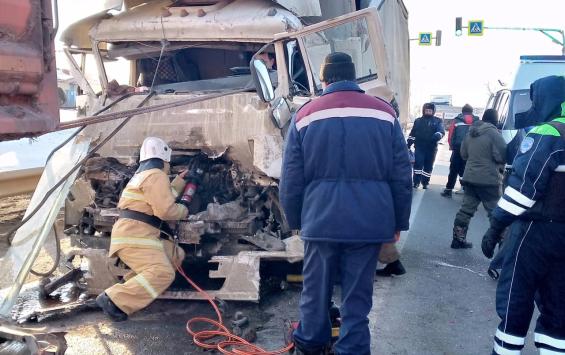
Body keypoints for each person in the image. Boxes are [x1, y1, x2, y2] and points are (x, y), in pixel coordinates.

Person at [280, 52, 412, 355]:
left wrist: (296, 220)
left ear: (324, 80)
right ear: (354, 78)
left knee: (315, 289)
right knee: (358, 294)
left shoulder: (305, 115)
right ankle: (352, 348)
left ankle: (311, 343)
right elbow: (402, 175)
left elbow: (291, 177)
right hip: (369, 222)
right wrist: (398, 223)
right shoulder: (384, 113)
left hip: (320, 220)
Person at [481, 75, 565, 354]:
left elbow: (523, 190)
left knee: (515, 298)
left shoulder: (548, 133)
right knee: (558, 308)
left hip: (535, 231)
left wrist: (496, 227)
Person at [96, 137, 190, 322]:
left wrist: (179, 182)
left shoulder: (143, 176)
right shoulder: (156, 175)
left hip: (132, 233)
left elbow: (162, 197)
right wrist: (185, 209)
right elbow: (166, 210)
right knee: (162, 272)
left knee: (175, 254)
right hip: (135, 236)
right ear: (164, 159)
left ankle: (132, 289)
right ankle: (114, 299)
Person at [449, 109, 506, 249]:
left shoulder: (471, 132)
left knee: (466, 210)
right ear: (495, 120)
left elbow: (463, 154)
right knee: (495, 212)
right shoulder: (494, 134)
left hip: (470, 177)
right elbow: (502, 155)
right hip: (489, 180)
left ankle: (458, 239)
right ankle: (502, 243)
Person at [441, 104, 479, 197]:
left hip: (458, 148)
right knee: (467, 169)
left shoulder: (456, 120)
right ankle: (465, 189)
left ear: (462, 111)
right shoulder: (477, 121)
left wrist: (451, 146)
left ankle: (449, 190)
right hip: (472, 149)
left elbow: (450, 135)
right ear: (471, 111)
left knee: (454, 169)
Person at [407, 103, 445, 189]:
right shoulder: (418, 121)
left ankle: (425, 182)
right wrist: (408, 144)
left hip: (431, 148)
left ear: (433, 111)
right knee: (418, 165)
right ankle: (416, 182)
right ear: (423, 111)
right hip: (419, 147)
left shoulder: (438, 121)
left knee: (428, 166)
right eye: (426, 110)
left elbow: (441, 131)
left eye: (430, 111)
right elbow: (412, 134)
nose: (428, 112)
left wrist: (438, 135)